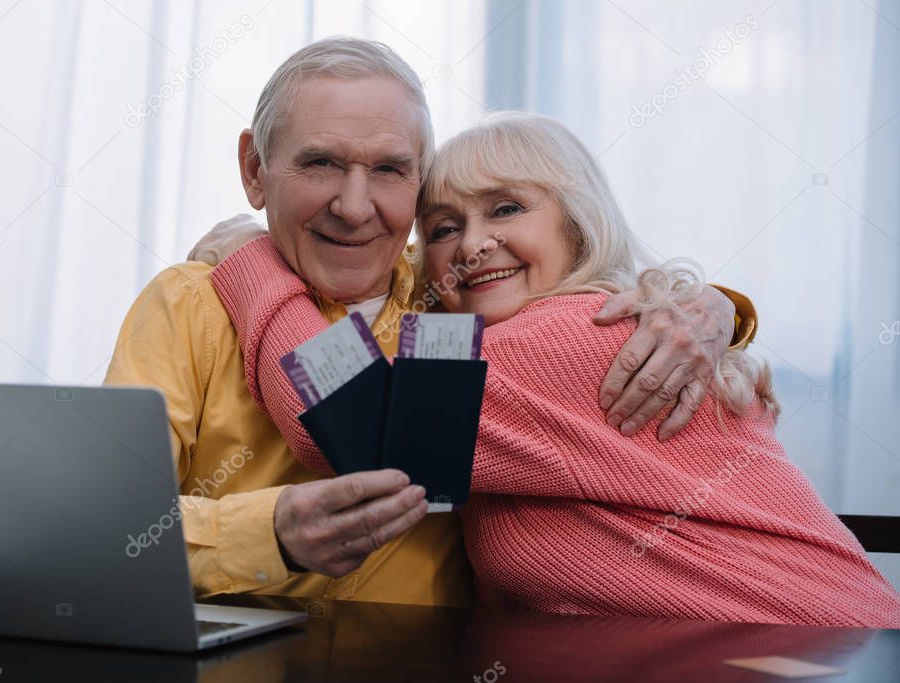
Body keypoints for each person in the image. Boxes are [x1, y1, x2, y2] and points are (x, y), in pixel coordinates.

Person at [106, 37, 750, 607]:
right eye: (321, 163)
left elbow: (575, 299)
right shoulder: (190, 305)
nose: (355, 208)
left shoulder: (459, 301)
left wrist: (716, 308)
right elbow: (105, 538)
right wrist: (264, 534)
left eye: (388, 169)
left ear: (419, 179)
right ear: (254, 171)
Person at [208, 112, 900, 627]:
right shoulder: (518, 346)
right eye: (444, 227)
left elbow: (356, 428)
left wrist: (256, 264)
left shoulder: (571, 333)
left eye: (505, 208)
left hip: (812, 651)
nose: (473, 243)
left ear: (575, 220)